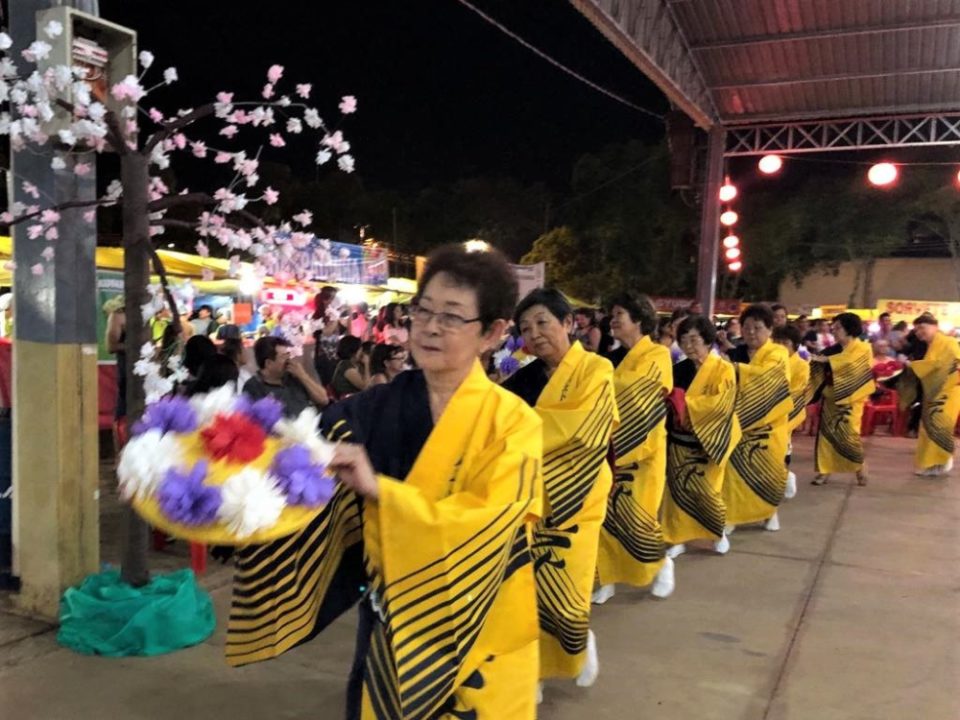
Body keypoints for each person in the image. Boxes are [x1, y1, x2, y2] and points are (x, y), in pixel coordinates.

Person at [226, 244, 544, 719]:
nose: (432, 327)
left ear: (493, 333)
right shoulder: (375, 406)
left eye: (453, 317)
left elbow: (490, 524)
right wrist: (203, 482)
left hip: (478, 619)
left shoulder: (514, 423)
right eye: (424, 310)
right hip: (389, 619)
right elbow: (297, 454)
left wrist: (382, 493)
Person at [502, 288, 616, 689]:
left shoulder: (597, 370)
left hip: (577, 497)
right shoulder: (520, 380)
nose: (534, 333)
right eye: (525, 328)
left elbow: (584, 428)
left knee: (567, 588)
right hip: (529, 500)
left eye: (542, 322)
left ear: (569, 323)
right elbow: (499, 430)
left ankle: (578, 640)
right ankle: (529, 672)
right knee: (524, 589)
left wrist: (523, 428)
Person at [593, 292, 675, 605]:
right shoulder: (613, 357)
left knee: (637, 518)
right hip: (612, 449)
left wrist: (600, 382)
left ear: (638, 321)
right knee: (606, 516)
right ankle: (607, 578)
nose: (612, 321)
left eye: (619, 315)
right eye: (612, 315)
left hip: (643, 451)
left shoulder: (658, 355)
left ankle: (659, 563)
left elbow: (641, 392)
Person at [662, 315, 741, 557]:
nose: (688, 345)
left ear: (707, 340)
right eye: (683, 340)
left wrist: (684, 403)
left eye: (694, 339)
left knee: (707, 492)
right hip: (680, 441)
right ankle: (676, 537)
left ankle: (717, 531)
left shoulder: (723, 369)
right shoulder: (677, 370)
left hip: (709, 440)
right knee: (678, 492)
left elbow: (721, 404)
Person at [723, 304, 793, 534]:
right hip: (739, 424)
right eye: (746, 327)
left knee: (766, 473)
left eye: (757, 327)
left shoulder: (779, 353)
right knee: (735, 474)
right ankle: (732, 516)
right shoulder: (737, 352)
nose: (751, 332)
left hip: (769, 427)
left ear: (770, 330)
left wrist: (734, 369)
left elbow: (770, 379)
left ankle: (769, 512)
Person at [809, 313, 875, 486]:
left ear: (849, 329)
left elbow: (852, 365)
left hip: (851, 400)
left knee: (849, 436)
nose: (834, 330)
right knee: (827, 436)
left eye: (838, 327)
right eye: (834, 327)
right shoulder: (832, 350)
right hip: (831, 398)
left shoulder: (863, 349)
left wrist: (829, 361)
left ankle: (860, 468)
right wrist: (816, 362)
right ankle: (824, 471)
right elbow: (819, 364)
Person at [908, 313, 960, 476]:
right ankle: (932, 463)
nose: (919, 332)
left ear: (935, 326)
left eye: (922, 328)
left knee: (940, 426)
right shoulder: (932, 345)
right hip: (934, 392)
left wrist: (915, 366)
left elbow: (949, 364)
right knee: (929, 427)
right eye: (916, 330)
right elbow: (932, 366)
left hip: (948, 391)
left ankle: (941, 462)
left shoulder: (949, 342)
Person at [242, 336, 329, 417]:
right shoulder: (253, 387)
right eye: (284, 357)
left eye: (288, 355)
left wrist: (303, 376)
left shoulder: (294, 375)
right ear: (268, 363)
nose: (289, 360)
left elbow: (324, 400)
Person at [773, 324, 811, 499]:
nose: (780, 346)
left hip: (788, 412)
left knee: (781, 448)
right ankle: (783, 477)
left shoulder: (801, 365)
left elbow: (795, 393)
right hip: (767, 411)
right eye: (777, 341)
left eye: (785, 342)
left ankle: (786, 477)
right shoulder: (770, 361)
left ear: (795, 345)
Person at [311, 286, 341, 386]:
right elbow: (326, 333)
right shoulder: (317, 317)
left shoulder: (333, 316)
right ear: (325, 300)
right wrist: (335, 317)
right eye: (333, 298)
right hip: (323, 358)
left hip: (335, 356)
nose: (336, 301)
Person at [105, 301, 126, 421]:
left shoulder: (150, 311)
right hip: (126, 375)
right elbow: (111, 347)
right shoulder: (119, 315)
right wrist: (134, 346)